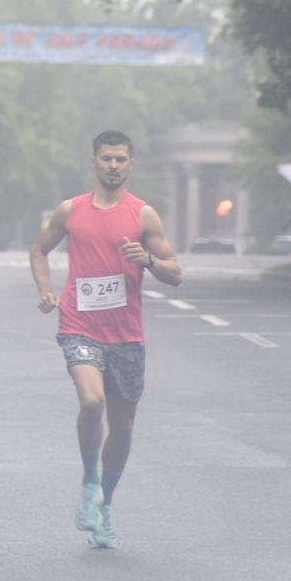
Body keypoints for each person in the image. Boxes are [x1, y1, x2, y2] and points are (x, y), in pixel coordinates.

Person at [30, 129, 182, 549]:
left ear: (130, 165)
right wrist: (46, 290)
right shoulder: (71, 210)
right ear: (93, 162)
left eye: (120, 159)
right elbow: (39, 250)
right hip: (79, 325)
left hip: (127, 335)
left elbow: (175, 273)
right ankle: (88, 481)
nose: (113, 165)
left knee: (124, 425)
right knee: (91, 401)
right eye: (106, 158)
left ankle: (105, 503)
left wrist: (148, 260)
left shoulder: (143, 215)